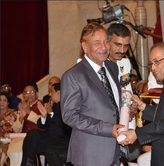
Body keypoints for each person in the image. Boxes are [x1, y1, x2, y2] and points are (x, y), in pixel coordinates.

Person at [61, 22, 124, 166]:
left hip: (115, 150)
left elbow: (111, 104)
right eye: (97, 43)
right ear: (85, 46)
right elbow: (70, 116)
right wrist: (108, 129)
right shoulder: (73, 76)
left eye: (106, 42)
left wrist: (126, 110)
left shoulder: (112, 67)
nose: (104, 47)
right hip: (90, 154)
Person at [21, 83, 71, 166]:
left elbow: (64, 125)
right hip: (49, 137)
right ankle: (28, 162)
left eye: (51, 91)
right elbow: (41, 125)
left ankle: (28, 162)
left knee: (41, 148)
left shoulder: (66, 107)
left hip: (61, 138)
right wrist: (44, 116)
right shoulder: (51, 105)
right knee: (33, 133)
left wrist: (51, 113)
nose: (49, 94)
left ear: (58, 93)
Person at [107, 23, 137, 129]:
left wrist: (132, 107)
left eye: (126, 46)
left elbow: (126, 90)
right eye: (117, 44)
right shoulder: (98, 65)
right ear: (107, 42)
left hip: (123, 120)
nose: (122, 50)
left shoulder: (125, 63)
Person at [0, 92, 19, 166]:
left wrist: (2, 124)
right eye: (0, 100)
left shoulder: (13, 113)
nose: (2, 102)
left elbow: (11, 127)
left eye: (4, 100)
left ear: (8, 103)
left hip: (8, 140)